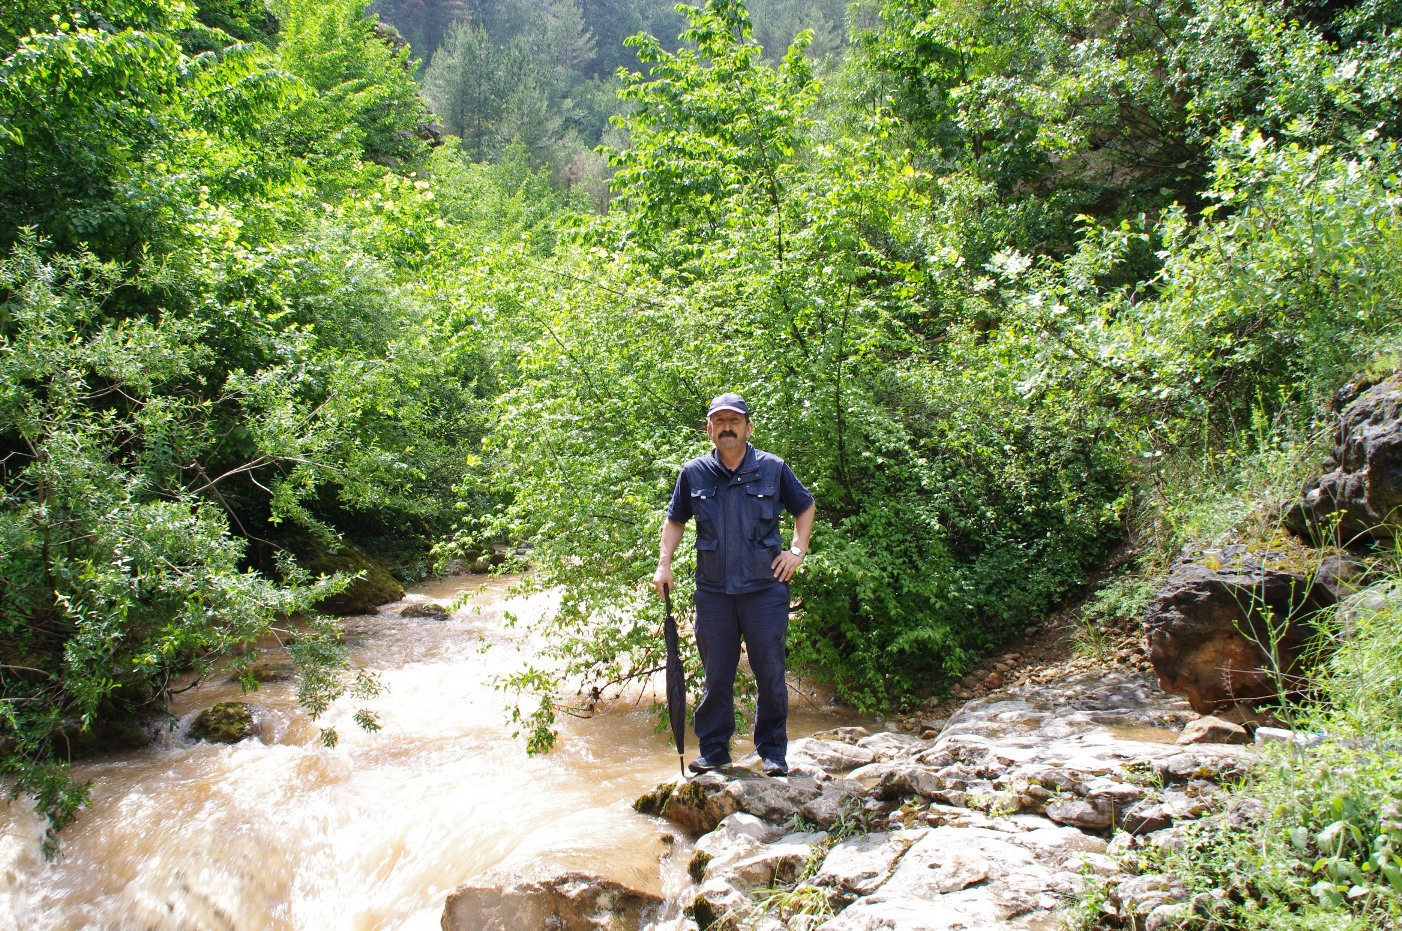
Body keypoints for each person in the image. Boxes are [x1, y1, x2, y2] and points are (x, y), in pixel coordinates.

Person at [652, 392, 815, 777]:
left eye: (734, 421)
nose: (727, 428)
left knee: (770, 673)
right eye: (720, 422)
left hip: (765, 590)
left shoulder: (773, 469)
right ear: (709, 430)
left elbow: (805, 507)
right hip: (714, 593)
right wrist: (663, 565)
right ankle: (714, 751)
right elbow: (675, 520)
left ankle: (772, 753)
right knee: (716, 675)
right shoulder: (693, 473)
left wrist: (796, 551)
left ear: (748, 427)